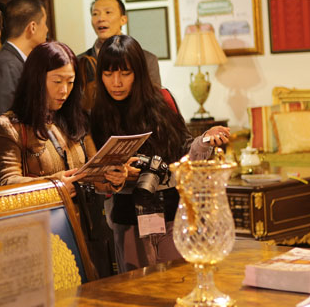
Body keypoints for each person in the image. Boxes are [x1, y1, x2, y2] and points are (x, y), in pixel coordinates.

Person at [90, 35, 229, 272]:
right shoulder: (97, 113)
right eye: (108, 74)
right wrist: (116, 175)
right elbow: (97, 171)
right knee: (136, 289)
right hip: (128, 218)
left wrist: (205, 140)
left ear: (138, 72)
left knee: (178, 283)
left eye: (125, 73)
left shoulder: (162, 99)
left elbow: (184, 149)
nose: (116, 82)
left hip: (172, 212)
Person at [0, 41, 127, 276]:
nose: (64, 90)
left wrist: (112, 178)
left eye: (70, 82)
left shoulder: (76, 120)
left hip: (87, 233)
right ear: (36, 79)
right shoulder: (8, 126)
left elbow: (92, 173)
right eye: (57, 81)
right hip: (41, 236)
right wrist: (55, 185)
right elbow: (6, 183)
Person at [0, 0, 48, 157]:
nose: (46, 29)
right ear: (32, 27)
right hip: (7, 159)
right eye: (44, 23)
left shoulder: (14, 61)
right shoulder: (7, 65)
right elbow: (8, 126)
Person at [78, 0, 161, 109]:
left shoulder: (147, 59)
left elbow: (153, 103)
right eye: (95, 14)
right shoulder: (80, 61)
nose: (101, 18)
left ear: (123, 20)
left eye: (108, 12)